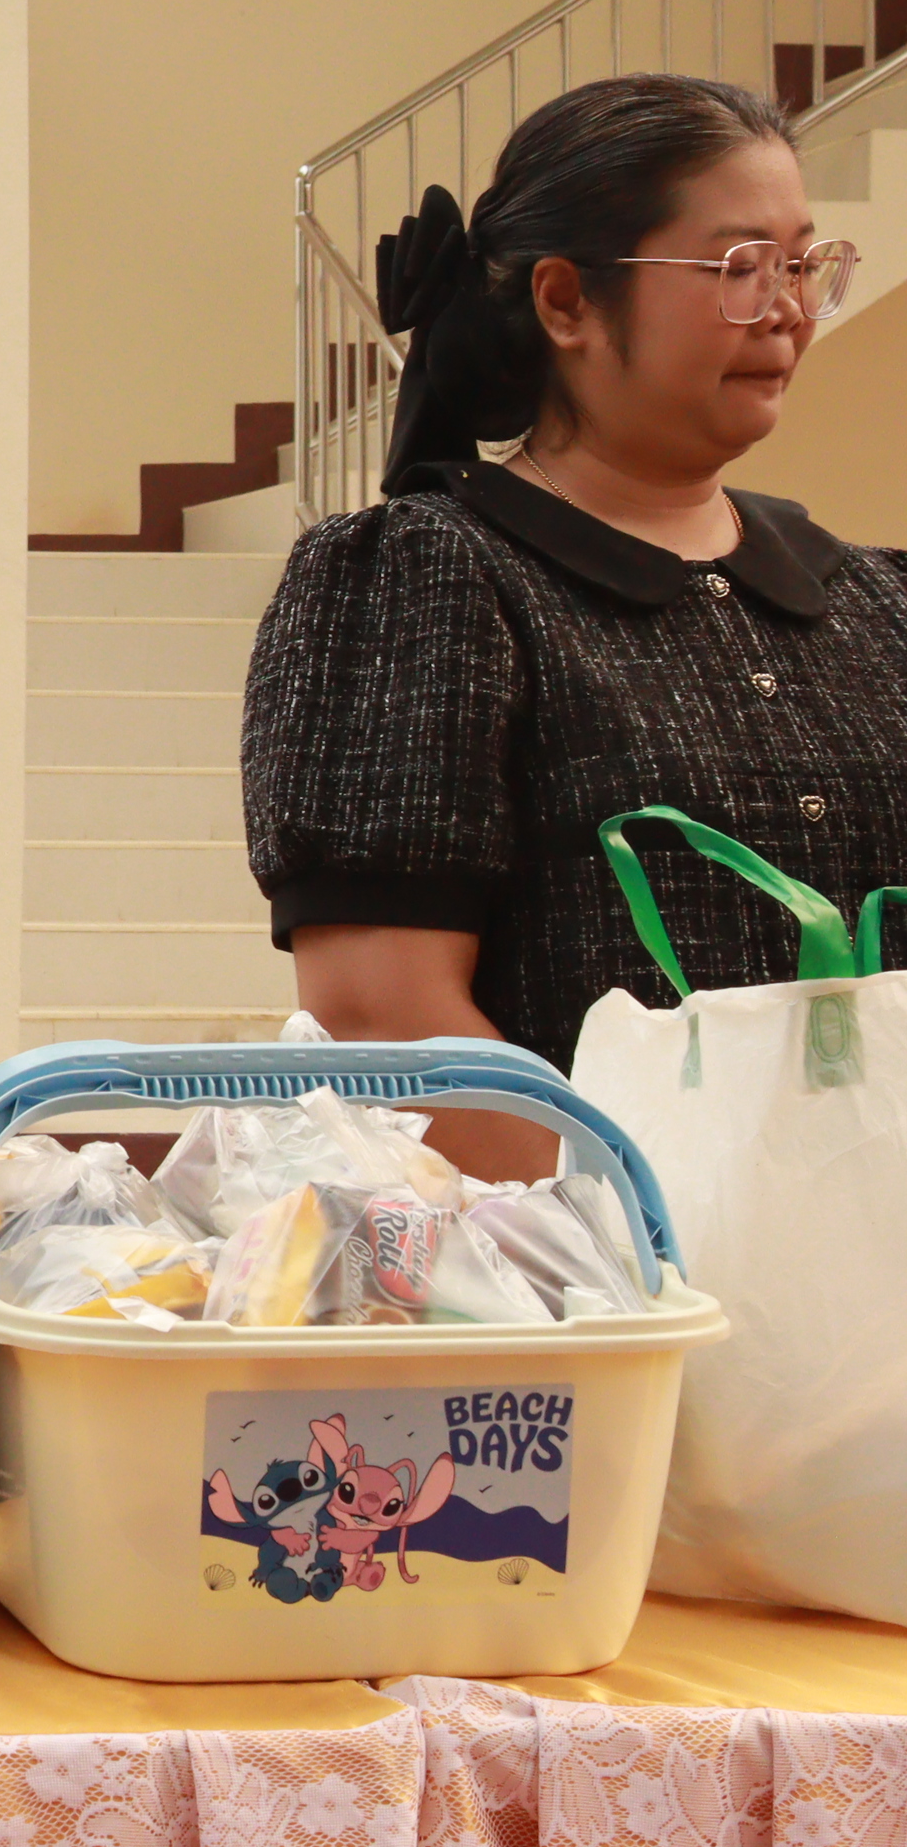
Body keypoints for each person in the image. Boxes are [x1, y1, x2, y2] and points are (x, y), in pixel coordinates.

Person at [244, 71, 902, 1168]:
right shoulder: (425, 579)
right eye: (739, 267)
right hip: (592, 1255)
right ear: (566, 303)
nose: (787, 306)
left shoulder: (877, 602)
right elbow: (379, 1014)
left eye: (800, 264)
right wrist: (647, 1236)